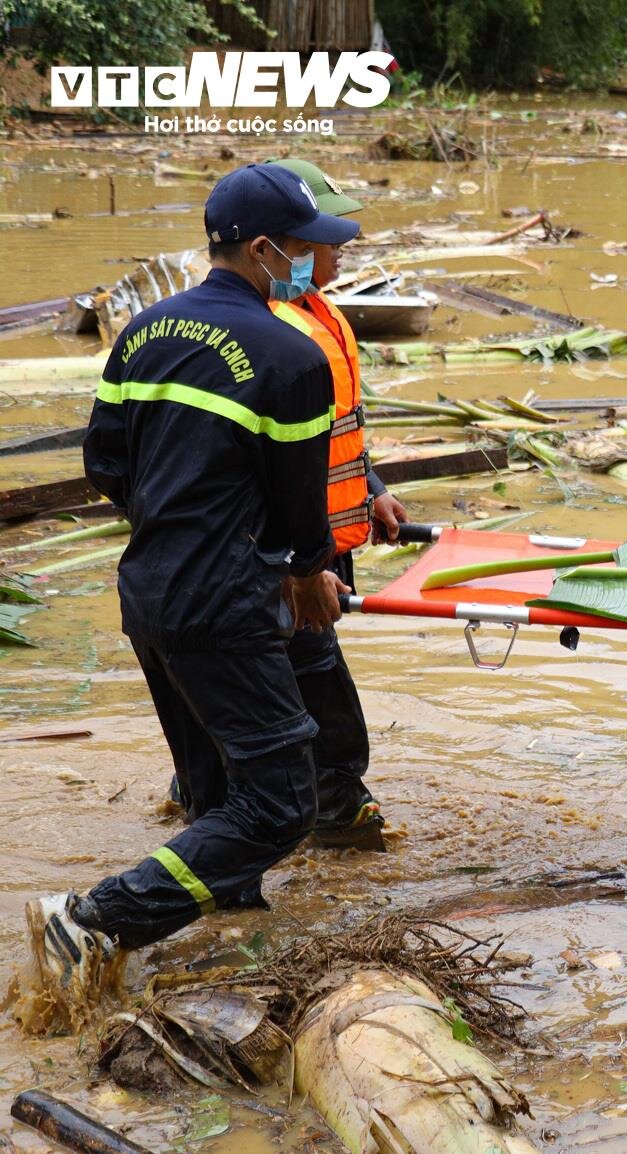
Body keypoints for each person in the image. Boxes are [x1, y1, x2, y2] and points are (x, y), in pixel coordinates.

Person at [24, 164, 359, 1022]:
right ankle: (94, 919)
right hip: (224, 599)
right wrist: (306, 574)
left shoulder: (142, 333)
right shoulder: (292, 354)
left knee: (216, 787)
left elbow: (105, 464)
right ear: (260, 249)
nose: (312, 262)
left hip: (149, 589)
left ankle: (228, 950)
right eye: (301, 245)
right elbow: (297, 502)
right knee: (281, 803)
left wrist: (176, 523)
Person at [162, 157, 408, 851]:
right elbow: (238, 462)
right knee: (306, 689)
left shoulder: (313, 311)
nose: (335, 255)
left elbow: (329, 430)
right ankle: (322, 813)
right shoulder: (254, 330)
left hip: (314, 538)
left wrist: (374, 488)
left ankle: (216, 798)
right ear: (272, 249)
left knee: (270, 683)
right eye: (319, 245)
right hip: (277, 551)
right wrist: (289, 565)